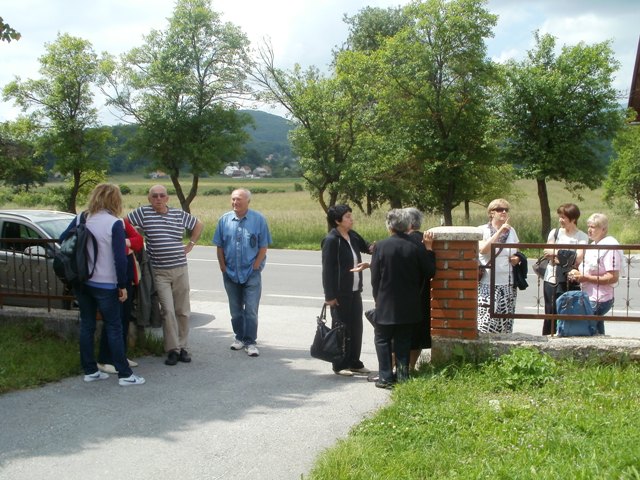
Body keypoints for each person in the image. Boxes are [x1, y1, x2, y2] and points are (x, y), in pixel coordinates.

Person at [60, 183, 145, 386]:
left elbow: (64, 240)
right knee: (114, 327)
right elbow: (119, 257)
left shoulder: (83, 217)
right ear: (115, 200)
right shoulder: (114, 223)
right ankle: (125, 375)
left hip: (83, 282)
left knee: (87, 325)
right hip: (106, 284)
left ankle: (90, 371)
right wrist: (122, 285)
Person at [127, 185, 204, 366]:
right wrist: (135, 237)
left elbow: (198, 224)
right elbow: (124, 223)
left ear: (167, 198)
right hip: (159, 271)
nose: (158, 199)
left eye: (162, 196)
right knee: (168, 311)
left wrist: (191, 244)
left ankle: (183, 347)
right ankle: (172, 349)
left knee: (182, 310)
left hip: (180, 269)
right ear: (149, 198)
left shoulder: (177, 214)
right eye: (154, 196)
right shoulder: (143, 213)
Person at [370, 209, 435, 389]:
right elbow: (430, 272)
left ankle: (385, 377)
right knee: (404, 340)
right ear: (408, 225)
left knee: (382, 339)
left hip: (386, 302)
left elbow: (375, 277)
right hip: (410, 303)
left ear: (389, 226)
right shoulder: (416, 246)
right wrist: (429, 250)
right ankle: (403, 375)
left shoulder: (380, 246)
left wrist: (377, 298)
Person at [213, 188, 272, 357]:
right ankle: (239, 337)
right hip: (230, 272)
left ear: (248, 201)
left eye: (238, 199)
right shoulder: (224, 220)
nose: (235, 203)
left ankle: (250, 342)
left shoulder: (258, 219)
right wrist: (223, 266)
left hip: (251, 272)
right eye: (233, 199)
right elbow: (219, 246)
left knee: (251, 309)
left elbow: (263, 245)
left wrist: (256, 266)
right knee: (235, 309)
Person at [321, 204, 373, 376]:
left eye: (351, 216)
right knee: (340, 329)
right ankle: (339, 364)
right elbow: (327, 270)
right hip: (339, 293)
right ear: (337, 221)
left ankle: (354, 362)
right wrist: (330, 296)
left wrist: (389, 243)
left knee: (356, 328)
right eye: (348, 216)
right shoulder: (331, 240)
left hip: (354, 290)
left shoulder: (352, 235)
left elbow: (369, 248)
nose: (352, 219)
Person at [97, 218, 144, 374]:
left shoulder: (122, 222)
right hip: (113, 279)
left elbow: (139, 241)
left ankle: (120, 356)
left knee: (124, 318)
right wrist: (127, 245)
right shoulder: (104, 222)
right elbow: (110, 249)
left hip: (127, 279)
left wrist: (125, 243)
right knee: (113, 320)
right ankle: (105, 359)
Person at [568, 213, 622, 334]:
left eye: (593, 227)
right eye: (589, 226)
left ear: (603, 229)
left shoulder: (610, 247)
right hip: (589, 296)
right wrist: (576, 273)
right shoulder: (593, 245)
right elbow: (587, 268)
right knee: (596, 331)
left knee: (587, 331)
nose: (589, 230)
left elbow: (613, 277)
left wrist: (586, 278)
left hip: (600, 299)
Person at [541, 203, 589, 335]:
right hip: (551, 277)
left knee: (567, 309)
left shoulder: (581, 236)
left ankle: (565, 334)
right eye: (560, 217)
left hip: (570, 279)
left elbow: (578, 258)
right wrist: (566, 257)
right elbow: (547, 253)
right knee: (550, 310)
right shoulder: (555, 233)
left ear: (573, 219)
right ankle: (548, 336)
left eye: (563, 217)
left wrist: (556, 255)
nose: (560, 220)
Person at [477, 198, 521, 333]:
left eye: (506, 210)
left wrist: (517, 258)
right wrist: (501, 230)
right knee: (486, 323)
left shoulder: (511, 231)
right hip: (488, 283)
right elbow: (483, 249)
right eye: (500, 209)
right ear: (491, 213)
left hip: (508, 283)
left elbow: (517, 251)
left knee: (505, 323)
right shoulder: (481, 230)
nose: (503, 212)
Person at [404, 207, 436, 370]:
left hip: (402, 294)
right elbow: (430, 271)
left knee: (400, 334)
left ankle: (396, 367)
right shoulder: (425, 240)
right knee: (417, 334)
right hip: (423, 294)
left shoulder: (401, 240)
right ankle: (410, 367)